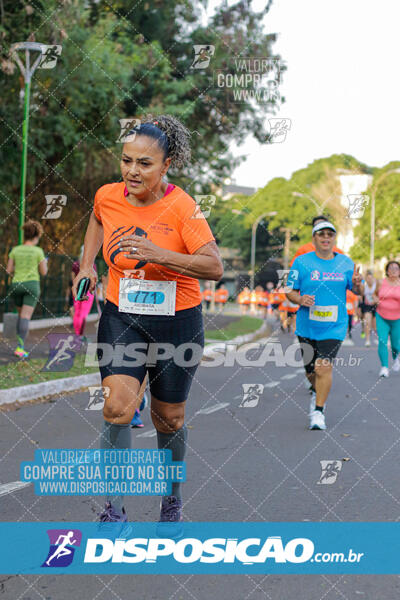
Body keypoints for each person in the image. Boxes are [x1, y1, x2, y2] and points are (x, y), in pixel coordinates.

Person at [72, 114, 223, 527]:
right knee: (117, 408)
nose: (132, 171)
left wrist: (157, 254)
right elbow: (97, 219)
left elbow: (213, 266)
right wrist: (88, 266)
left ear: (166, 165)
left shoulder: (183, 207)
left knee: (168, 418)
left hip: (178, 321)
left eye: (144, 164)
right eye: (126, 161)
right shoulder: (108, 196)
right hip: (123, 316)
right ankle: (115, 510)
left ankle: (170, 499)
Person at [286, 219, 362, 430]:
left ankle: (318, 411)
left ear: (334, 238)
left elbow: (359, 292)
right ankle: (315, 392)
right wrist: (299, 299)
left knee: (323, 367)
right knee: (311, 372)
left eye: (330, 234)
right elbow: (289, 290)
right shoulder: (301, 262)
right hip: (307, 325)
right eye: (322, 234)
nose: (326, 238)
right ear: (314, 238)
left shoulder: (346, 263)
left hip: (334, 325)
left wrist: (357, 285)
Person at [6, 220, 48, 358]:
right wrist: (44, 262)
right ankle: (20, 348)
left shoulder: (15, 250)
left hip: (16, 285)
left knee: (21, 316)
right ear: (36, 236)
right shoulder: (38, 251)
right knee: (25, 317)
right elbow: (44, 272)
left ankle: (20, 344)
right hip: (31, 285)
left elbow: (9, 270)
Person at [369, 261, 400, 378]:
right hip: (381, 316)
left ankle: (396, 358)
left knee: (396, 345)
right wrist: (375, 299)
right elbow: (374, 295)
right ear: (387, 271)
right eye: (391, 268)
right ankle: (384, 367)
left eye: (396, 268)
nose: (393, 270)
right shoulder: (381, 282)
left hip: (397, 318)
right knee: (382, 341)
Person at [70, 247, 96, 340]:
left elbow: (73, 278)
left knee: (77, 313)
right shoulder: (92, 265)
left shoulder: (76, 264)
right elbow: (94, 278)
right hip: (88, 291)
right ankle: (80, 335)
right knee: (83, 314)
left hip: (77, 290)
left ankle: (77, 334)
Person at [362, 271, 377, 346]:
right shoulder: (364, 286)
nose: (369, 280)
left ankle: (378, 338)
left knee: (375, 326)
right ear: (366, 279)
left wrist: (375, 300)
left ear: (373, 278)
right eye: (368, 278)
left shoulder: (376, 286)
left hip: (376, 306)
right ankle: (367, 340)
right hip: (367, 306)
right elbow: (360, 296)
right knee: (367, 322)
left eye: (371, 278)